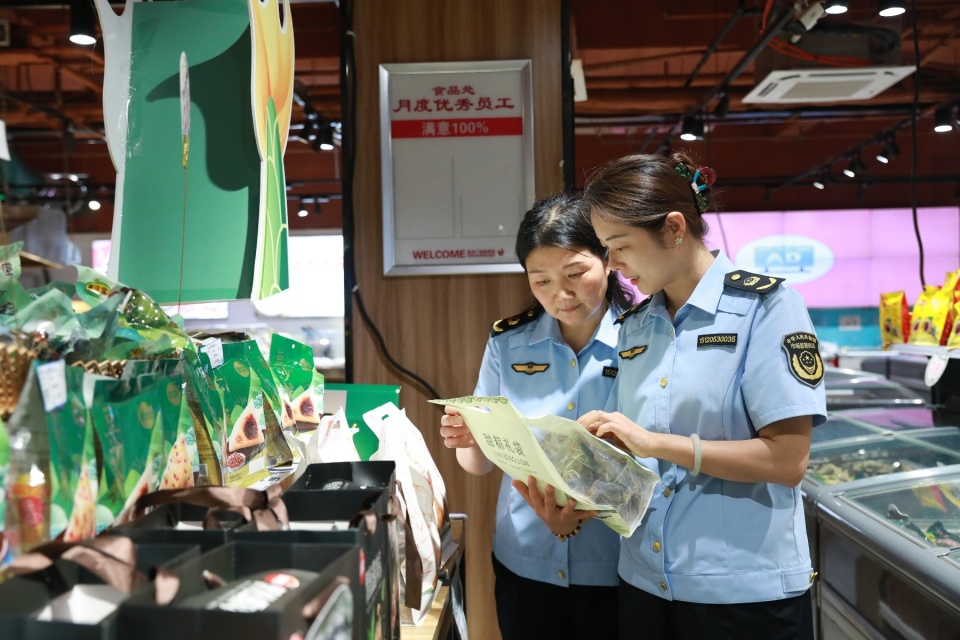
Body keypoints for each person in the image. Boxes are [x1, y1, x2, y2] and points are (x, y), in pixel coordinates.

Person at [578, 152, 827, 640]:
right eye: (605, 248)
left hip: (743, 595)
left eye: (620, 246)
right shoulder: (635, 326)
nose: (612, 265)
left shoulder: (766, 307)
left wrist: (654, 443)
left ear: (674, 228)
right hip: (645, 582)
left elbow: (788, 459)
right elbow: (637, 459)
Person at [439, 192, 634, 640]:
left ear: (607, 260)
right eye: (540, 280)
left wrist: (577, 515)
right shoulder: (508, 343)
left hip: (620, 565)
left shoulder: (645, 336)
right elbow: (482, 464)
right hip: (525, 559)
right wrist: (467, 438)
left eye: (575, 274)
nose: (559, 295)